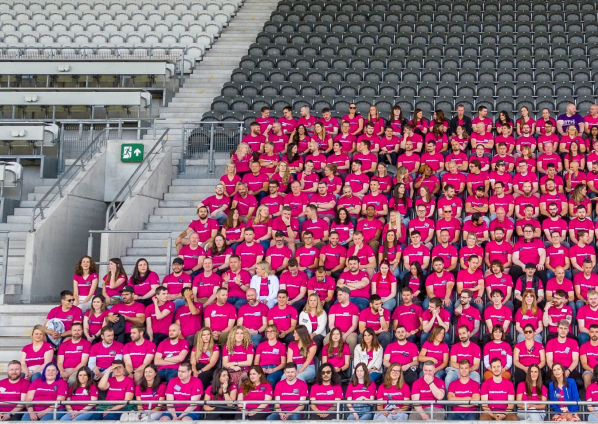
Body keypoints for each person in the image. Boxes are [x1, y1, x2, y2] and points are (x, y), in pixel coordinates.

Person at [326, 287, 359, 351]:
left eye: (340, 295)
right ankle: (328, 356)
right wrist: (336, 334)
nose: (338, 297)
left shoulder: (354, 307)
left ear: (347, 295)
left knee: (352, 340)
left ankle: (351, 357)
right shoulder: (333, 307)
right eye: (337, 295)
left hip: (350, 333)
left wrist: (345, 335)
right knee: (326, 340)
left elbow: (354, 325)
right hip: (336, 332)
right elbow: (331, 324)